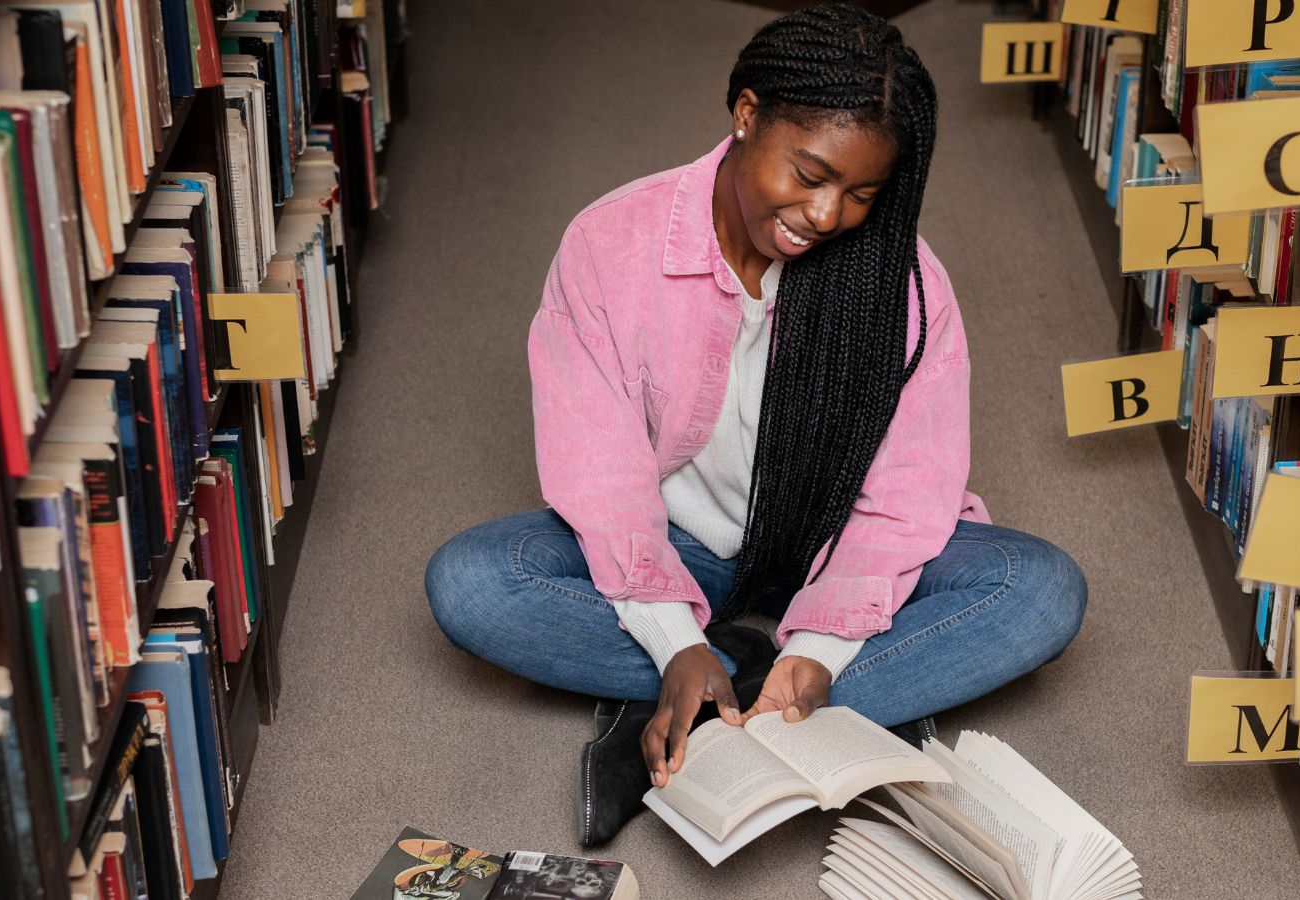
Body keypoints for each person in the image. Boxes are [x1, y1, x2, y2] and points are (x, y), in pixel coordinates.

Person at [425, 3, 1087, 846]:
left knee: (1040, 591)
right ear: (746, 116)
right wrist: (670, 633)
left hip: (832, 547)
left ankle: (726, 697)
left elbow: (905, 499)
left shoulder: (906, 281)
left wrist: (822, 643)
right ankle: (751, 690)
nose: (825, 214)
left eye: (860, 193)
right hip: (682, 543)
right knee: (474, 583)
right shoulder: (608, 244)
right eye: (808, 174)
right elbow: (601, 475)